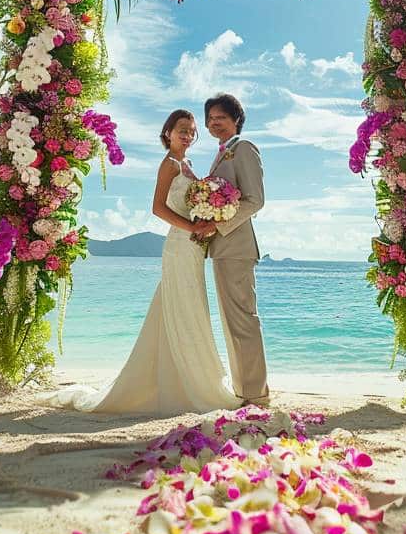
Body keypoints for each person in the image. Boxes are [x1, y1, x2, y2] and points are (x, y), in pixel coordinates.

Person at [43, 109, 241, 416]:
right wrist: (193, 228)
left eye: (191, 131)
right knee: (182, 305)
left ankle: (186, 377)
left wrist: (206, 219)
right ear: (167, 134)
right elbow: (157, 208)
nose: (187, 135)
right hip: (179, 244)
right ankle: (188, 385)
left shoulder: (187, 164)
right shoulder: (169, 165)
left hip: (193, 248)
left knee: (187, 307)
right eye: (181, 130)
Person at [203, 93, 270, 407]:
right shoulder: (221, 153)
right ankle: (245, 389)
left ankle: (254, 393)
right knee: (232, 321)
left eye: (221, 117)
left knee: (243, 319)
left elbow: (255, 200)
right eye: (211, 118)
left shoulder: (243, 149)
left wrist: (216, 225)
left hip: (236, 246)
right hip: (223, 248)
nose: (215, 122)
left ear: (236, 120)